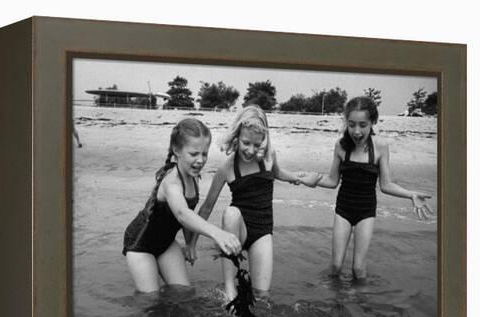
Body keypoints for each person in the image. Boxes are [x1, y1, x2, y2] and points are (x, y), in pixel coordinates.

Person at [188, 105, 320, 300]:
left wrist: (301, 179)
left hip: (262, 231)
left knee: (262, 295)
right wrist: (192, 243)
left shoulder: (268, 157)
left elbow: (278, 173)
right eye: (245, 142)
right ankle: (229, 289)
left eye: (256, 145)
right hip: (237, 230)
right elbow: (207, 207)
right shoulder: (227, 168)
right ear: (237, 136)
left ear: (264, 141)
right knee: (231, 212)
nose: (250, 150)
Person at [316, 96, 433, 281]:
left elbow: (386, 185)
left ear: (373, 122)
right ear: (346, 122)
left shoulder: (380, 147)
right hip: (343, 210)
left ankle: (359, 305)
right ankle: (334, 303)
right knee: (336, 266)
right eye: (351, 124)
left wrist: (410, 194)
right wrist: (309, 179)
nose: (356, 131)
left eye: (363, 125)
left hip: (366, 212)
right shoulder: (341, 146)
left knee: (358, 269)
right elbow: (332, 181)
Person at [122, 118, 241, 293]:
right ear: (177, 150)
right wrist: (217, 234)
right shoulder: (172, 182)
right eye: (194, 154)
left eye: (204, 154)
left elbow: (188, 217)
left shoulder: (193, 177)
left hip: (166, 243)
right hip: (140, 245)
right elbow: (182, 214)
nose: (200, 160)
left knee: (184, 294)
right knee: (151, 300)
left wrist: (190, 243)